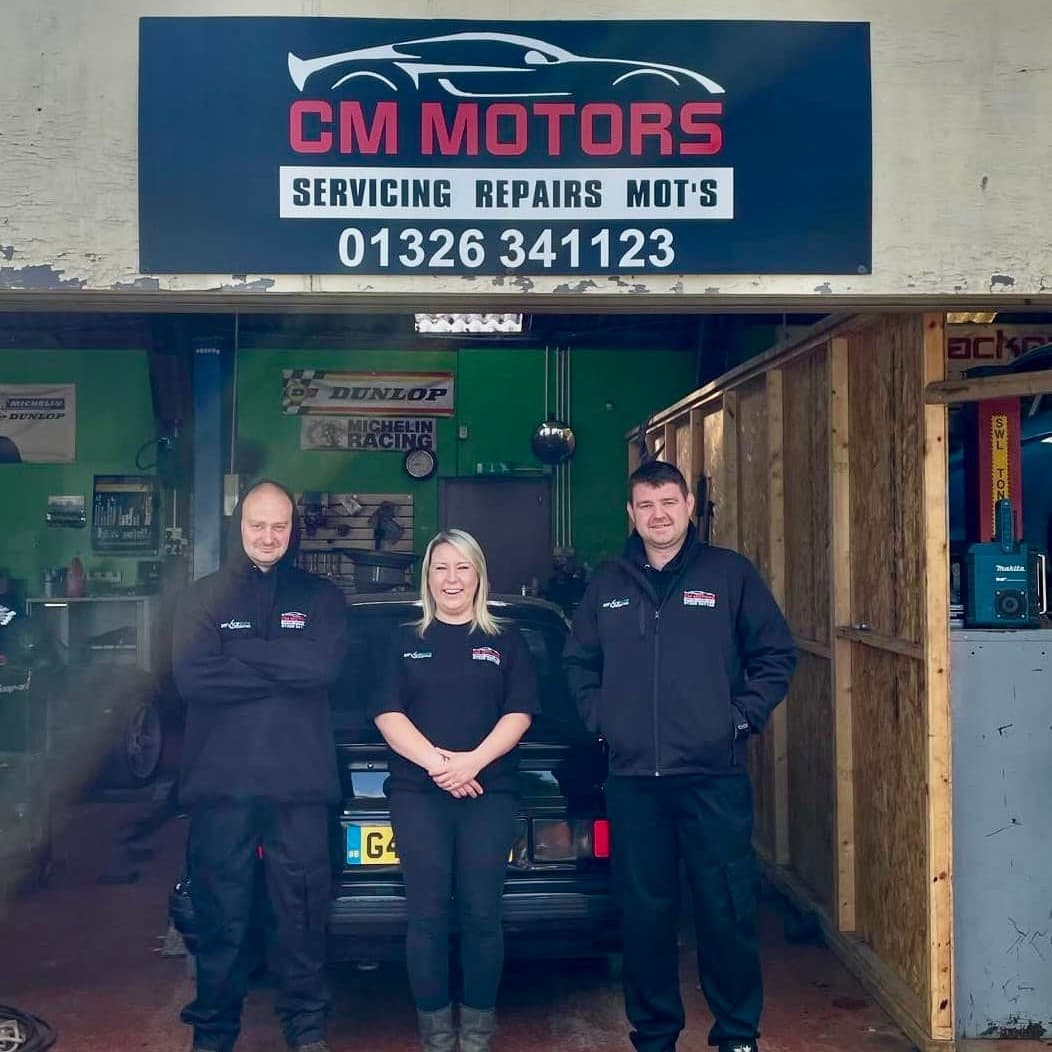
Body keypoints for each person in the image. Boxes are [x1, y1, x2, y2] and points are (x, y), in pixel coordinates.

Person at [563, 460, 797, 1052]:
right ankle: (655, 1033)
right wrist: (604, 719)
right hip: (634, 780)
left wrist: (738, 719)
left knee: (725, 908)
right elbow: (578, 663)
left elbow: (775, 654)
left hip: (713, 778)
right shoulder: (608, 584)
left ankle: (737, 1033)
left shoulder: (728, 575)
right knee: (644, 916)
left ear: (689, 505)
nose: (658, 515)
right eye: (646, 505)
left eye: (669, 502)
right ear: (631, 514)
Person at [172, 480, 347, 1052]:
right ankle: (214, 1034)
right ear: (238, 525)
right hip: (221, 785)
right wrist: (283, 665)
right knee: (221, 919)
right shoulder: (201, 596)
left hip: (299, 786)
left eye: (279, 526)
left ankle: (306, 1032)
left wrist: (238, 654)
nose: (268, 537)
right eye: (257, 525)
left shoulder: (321, 596)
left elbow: (321, 669)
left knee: (300, 917)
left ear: (292, 529)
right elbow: (194, 677)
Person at [371, 529, 538, 1052]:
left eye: (462, 568)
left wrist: (472, 764)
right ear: (427, 576)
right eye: (440, 567)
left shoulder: (506, 640)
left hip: (490, 793)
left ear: (478, 576)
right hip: (417, 794)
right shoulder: (403, 639)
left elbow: (519, 713)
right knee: (426, 915)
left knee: (482, 913)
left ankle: (477, 1034)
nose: (451, 579)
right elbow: (387, 713)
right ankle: (438, 1035)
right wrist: (442, 766)